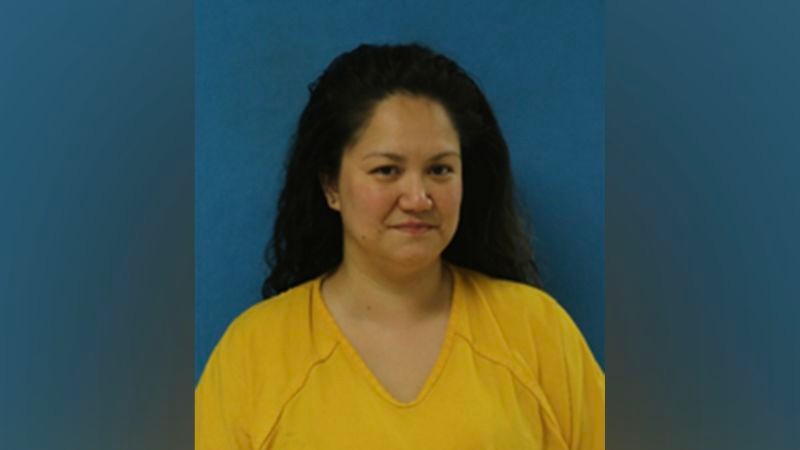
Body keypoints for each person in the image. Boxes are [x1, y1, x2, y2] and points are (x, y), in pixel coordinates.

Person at [195, 43, 604, 449]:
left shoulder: (537, 332)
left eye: (439, 169)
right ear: (331, 186)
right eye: (387, 170)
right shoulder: (253, 352)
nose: (418, 198)